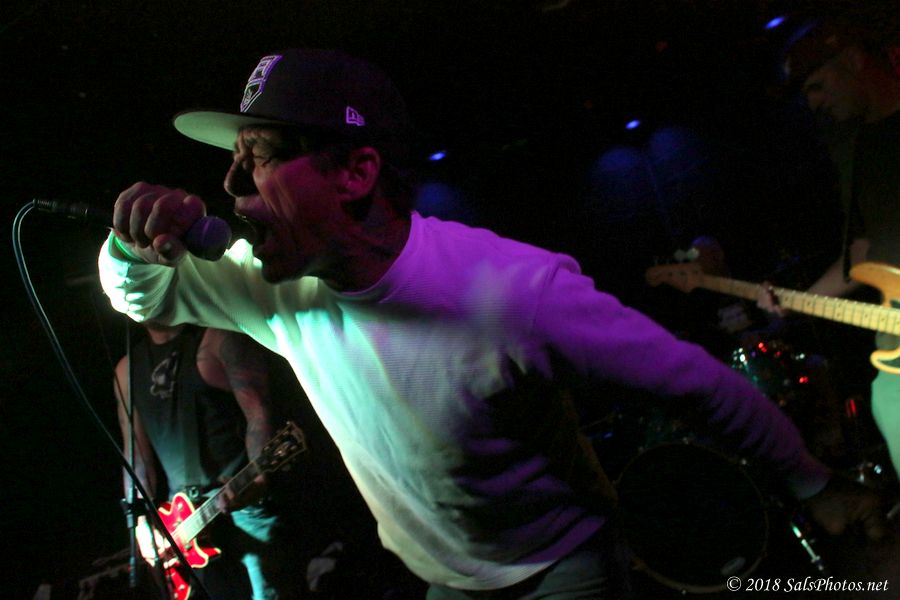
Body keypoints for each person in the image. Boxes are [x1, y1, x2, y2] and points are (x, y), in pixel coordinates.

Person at [99, 48, 887, 598]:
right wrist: (130, 244)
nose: (231, 184)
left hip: (564, 569)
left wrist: (811, 481)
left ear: (357, 172)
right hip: (442, 579)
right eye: (235, 159)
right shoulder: (269, 284)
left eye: (261, 154)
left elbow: (696, 384)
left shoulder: (514, 290)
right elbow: (139, 298)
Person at [760, 9, 900, 485]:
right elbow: (864, 250)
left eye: (818, 86)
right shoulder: (857, 150)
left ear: (856, 60)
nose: (814, 103)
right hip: (894, 347)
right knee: (887, 402)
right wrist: (796, 302)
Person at [115, 322, 309, 599]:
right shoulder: (127, 370)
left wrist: (259, 480)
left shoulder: (217, 338)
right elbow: (136, 456)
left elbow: (259, 412)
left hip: (245, 509)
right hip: (182, 525)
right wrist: (143, 526)